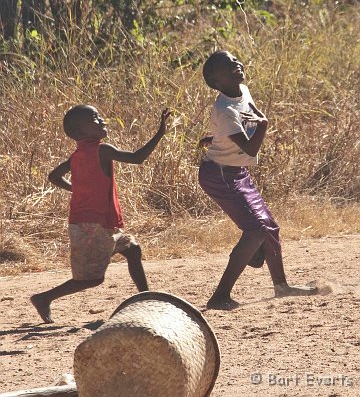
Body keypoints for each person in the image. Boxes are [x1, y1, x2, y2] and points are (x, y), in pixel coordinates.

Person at [198, 50, 317, 309]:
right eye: (229, 66)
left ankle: (281, 286)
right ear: (216, 82)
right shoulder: (224, 108)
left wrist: (217, 138)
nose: (237, 66)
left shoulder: (242, 90)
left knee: (269, 228)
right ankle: (220, 296)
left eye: (236, 62)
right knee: (256, 230)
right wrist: (263, 126)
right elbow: (250, 149)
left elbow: (242, 124)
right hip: (219, 174)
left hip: (235, 172)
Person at [31, 104, 170, 323]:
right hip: (92, 224)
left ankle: (145, 297)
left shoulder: (77, 155)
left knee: (132, 249)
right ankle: (44, 298)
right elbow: (138, 158)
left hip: (93, 222)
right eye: (95, 118)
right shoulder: (102, 150)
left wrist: (77, 189)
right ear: (81, 131)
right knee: (91, 279)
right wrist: (159, 134)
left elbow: (54, 177)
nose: (102, 119)